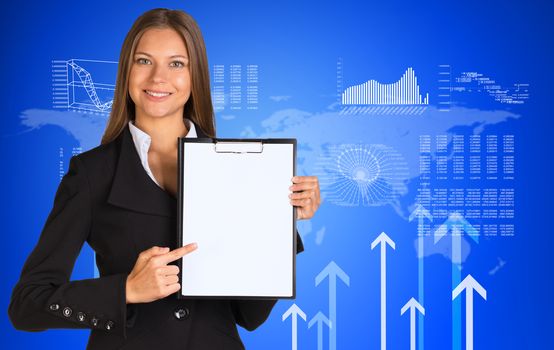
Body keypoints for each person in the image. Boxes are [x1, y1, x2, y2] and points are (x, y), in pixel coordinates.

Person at [8, 8, 321, 350]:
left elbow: (249, 316)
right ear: (126, 71)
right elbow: (26, 306)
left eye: (176, 63)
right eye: (144, 61)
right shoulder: (91, 174)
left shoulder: (242, 170)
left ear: (194, 75)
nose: (158, 77)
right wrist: (125, 290)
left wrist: (280, 222)